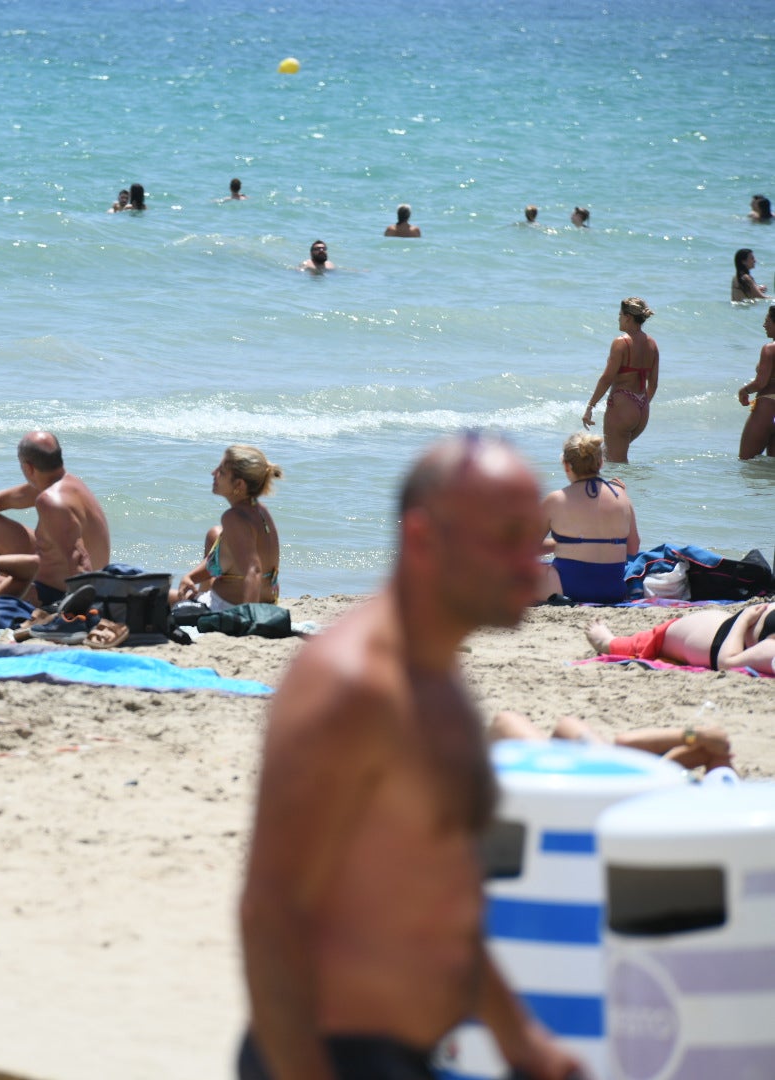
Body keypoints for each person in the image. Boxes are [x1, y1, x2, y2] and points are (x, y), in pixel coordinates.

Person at [238, 433, 586, 1080]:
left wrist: (523, 1045)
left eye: (535, 536)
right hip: (328, 1055)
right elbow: (270, 914)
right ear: (426, 540)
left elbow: (446, 898)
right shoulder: (349, 687)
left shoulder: (438, 681)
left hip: (417, 1055)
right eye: (508, 537)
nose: (532, 565)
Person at [0, 431, 110, 609]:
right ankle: (10, 585)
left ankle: (18, 592)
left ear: (28, 468)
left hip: (65, 591)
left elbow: (80, 563)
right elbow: (2, 500)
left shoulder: (51, 501)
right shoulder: (65, 483)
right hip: (75, 578)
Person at [172, 445, 282, 608]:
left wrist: (248, 617)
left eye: (221, 472)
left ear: (239, 485)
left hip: (228, 606)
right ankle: (201, 595)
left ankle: (201, 600)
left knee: (155, 597)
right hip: (268, 602)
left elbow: (254, 570)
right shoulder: (260, 510)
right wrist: (191, 577)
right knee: (214, 534)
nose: (213, 473)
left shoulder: (233, 517)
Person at [537, 433, 639, 604]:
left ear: (566, 465)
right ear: (601, 462)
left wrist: (564, 544)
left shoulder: (556, 499)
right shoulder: (621, 496)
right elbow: (633, 549)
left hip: (568, 590)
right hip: (613, 591)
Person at [488, 711, 735, 773]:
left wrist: (695, 735)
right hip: (624, 787)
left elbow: (625, 742)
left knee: (505, 721)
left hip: (601, 791)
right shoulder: (720, 789)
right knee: (569, 726)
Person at [586, 602, 775, 675]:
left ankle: (610, 644)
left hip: (711, 642)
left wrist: (742, 621)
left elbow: (727, 663)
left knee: (654, 640)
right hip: (718, 629)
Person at [581, 297, 658, 463]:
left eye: (620, 314)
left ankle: (623, 489)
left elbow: (607, 378)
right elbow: (653, 383)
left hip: (623, 406)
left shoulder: (621, 342)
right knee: (608, 455)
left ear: (628, 317)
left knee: (616, 463)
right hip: (642, 408)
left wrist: (590, 406)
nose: (618, 318)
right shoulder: (652, 344)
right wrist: (641, 406)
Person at [737, 306, 775, 459]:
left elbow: (761, 383)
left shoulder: (769, 349)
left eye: (768, 321)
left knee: (746, 460)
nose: (764, 325)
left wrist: (743, 391)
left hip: (768, 407)